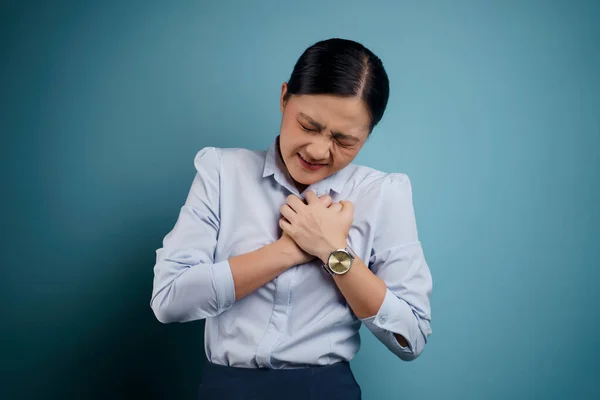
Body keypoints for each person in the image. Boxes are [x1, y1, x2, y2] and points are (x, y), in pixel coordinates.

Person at [150, 37, 433, 400]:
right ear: (285, 97)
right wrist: (292, 250)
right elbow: (169, 299)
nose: (317, 151)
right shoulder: (222, 172)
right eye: (308, 125)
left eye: (344, 141)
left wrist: (333, 253)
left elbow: (410, 337)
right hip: (226, 389)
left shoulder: (381, 194)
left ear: (368, 134)